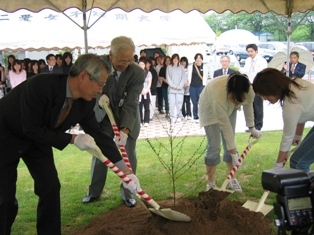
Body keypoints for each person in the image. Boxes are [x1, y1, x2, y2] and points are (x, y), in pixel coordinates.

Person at [0, 53, 140, 234]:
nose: (101, 90)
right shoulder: (40, 86)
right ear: (83, 76)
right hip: (6, 135)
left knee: (50, 187)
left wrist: (125, 171)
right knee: (4, 198)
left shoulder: (85, 103)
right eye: (100, 83)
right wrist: (72, 139)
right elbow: (31, 128)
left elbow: (99, 136)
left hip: (39, 139)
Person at [82, 36, 145, 208]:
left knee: (128, 156)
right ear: (111, 55)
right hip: (103, 118)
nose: (125, 64)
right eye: (121, 61)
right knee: (100, 153)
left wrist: (124, 130)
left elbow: (131, 102)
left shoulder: (137, 73)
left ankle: (128, 194)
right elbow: (87, 88)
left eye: (129, 60)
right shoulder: (97, 65)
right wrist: (98, 98)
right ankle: (93, 192)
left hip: (127, 119)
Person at [199, 73, 261, 192]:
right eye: (234, 99)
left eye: (239, 101)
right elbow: (225, 128)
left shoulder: (249, 91)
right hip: (209, 107)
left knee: (230, 142)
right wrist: (234, 155)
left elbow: (248, 107)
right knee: (214, 145)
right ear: (228, 92)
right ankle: (211, 183)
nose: (237, 103)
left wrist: (252, 128)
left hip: (228, 106)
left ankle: (232, 179)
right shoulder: (219, 97)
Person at [253, 68, 314, 172]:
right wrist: (298, 137)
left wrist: (278, 166)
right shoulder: (295, 84)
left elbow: (287, 137)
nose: (264, 98)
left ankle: (306, 188)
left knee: (298, 162)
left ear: (272, 88)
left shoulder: (291, 103)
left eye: (265, 94)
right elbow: (301, 115)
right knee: (299, 160)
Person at [240, 44, 267, 131]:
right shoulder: (248, 60)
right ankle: (252, 126)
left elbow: (261, 73)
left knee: (258, 106)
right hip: (249, 84)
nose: (250, 53)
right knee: (250, 106)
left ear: (256, 51)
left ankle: (258, 126)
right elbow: (245, 70)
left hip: (258, 85)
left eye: (251, 51)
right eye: (248, 51)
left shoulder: (262, 61)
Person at [188, 53, 208, 123]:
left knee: (201, 102)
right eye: (197, 58)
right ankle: (195, 116)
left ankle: (202, 116)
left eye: (200, 58)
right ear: (195, 59)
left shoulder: (204, 67)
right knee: (194, 102)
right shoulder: (191, 67)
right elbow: (189, 76)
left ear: (202, 59)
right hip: (192, 86)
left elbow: (205, 77)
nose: (198, 59)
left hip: (201, 86)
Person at [166, 54, 185, 122]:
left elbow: (183, 78)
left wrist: (180, 86)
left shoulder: (181, 67)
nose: (175, 60)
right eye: (174, 58)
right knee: (171, 103)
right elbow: (168, 78)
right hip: (171, 90)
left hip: (180, 90)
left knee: (179, 103)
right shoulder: (169, 67)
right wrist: (173, 86)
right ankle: (172, 116)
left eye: (177, 58)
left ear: (178, 59)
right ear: (172, 59)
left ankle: (179, 116)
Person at [138, 57, 152, 126]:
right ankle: (140, 120)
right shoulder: (136, 73)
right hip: (139, 92)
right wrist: (140, 91)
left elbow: (149, 83)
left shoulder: (148, 73)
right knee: (139, 107)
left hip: (146, 91)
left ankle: (146, 121)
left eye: (143, 64)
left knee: (147, 107)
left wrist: (146, 90)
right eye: (140, 64)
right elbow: (135, 83)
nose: (141, 66)